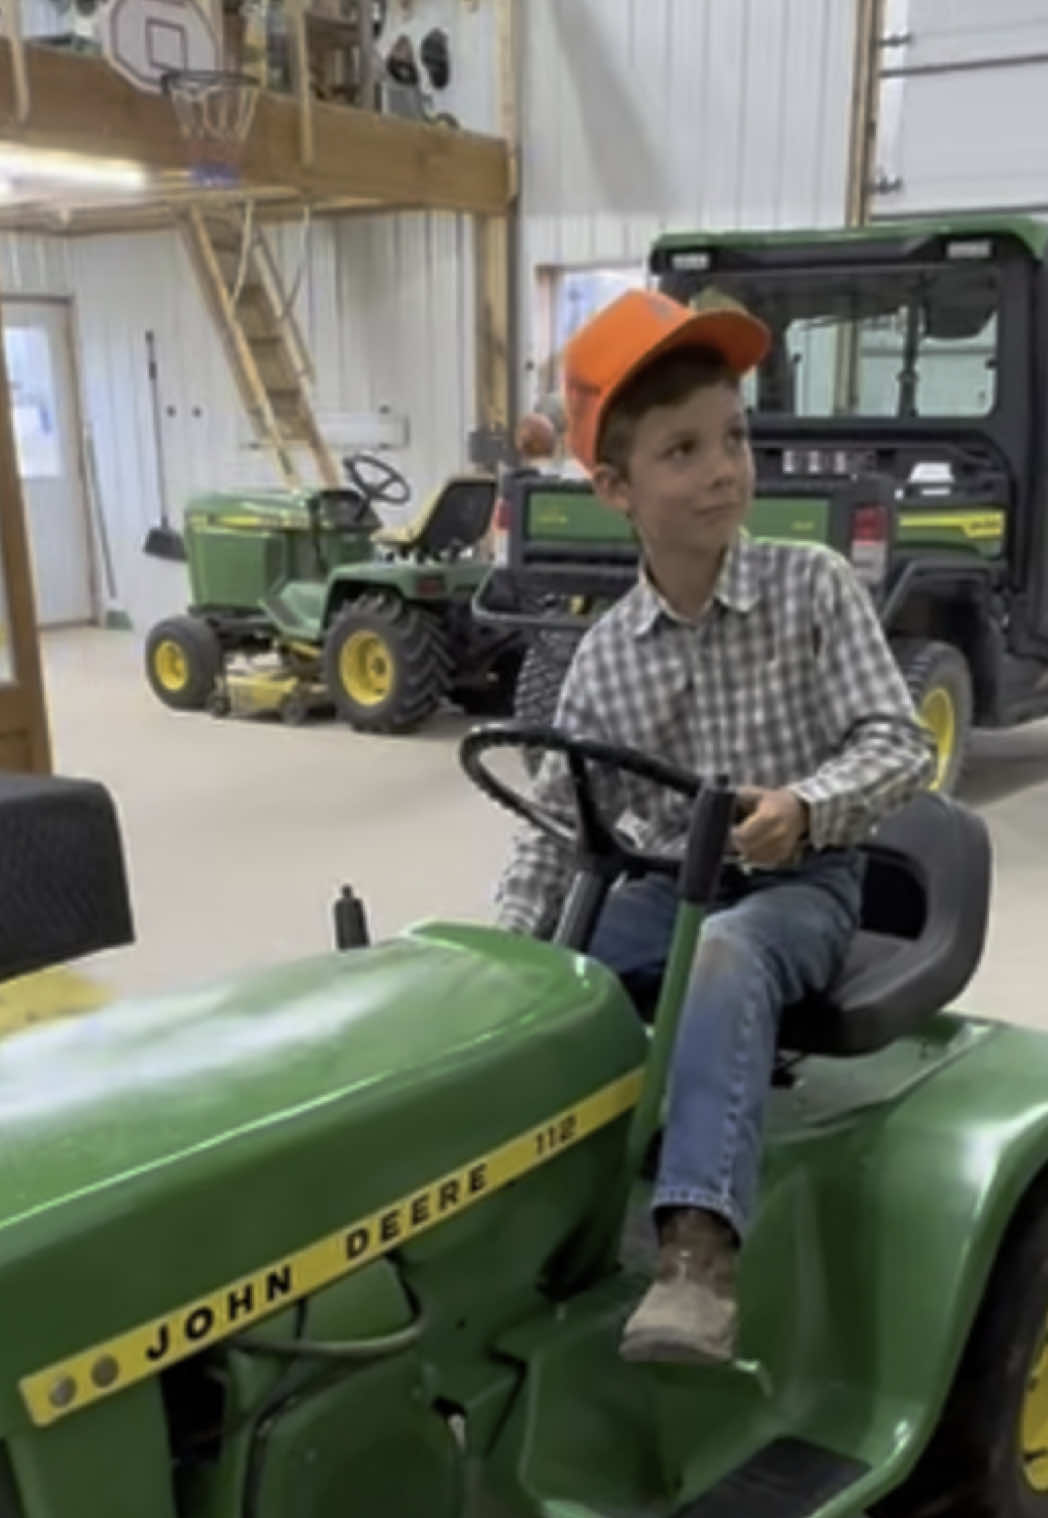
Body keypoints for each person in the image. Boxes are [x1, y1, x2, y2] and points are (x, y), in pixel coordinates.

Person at [494, 289, 935, 1366]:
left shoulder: (813, 589)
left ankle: (696, 1248)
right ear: (614, 489)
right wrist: (502, 960)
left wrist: (805, 807)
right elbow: (561, 826)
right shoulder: (606, 654)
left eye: (732, 439)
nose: (723, 468)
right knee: (564, 979)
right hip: (661, 886)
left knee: (724, 956)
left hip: (798, 888)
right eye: (682, 451)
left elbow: (898, 744)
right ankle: (535, 1208)